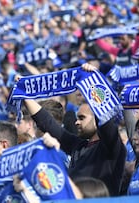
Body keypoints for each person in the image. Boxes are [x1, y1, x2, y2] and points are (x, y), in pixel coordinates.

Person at [23, 63, 126, 196]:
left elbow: (105, 120)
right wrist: (23, 96)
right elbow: (48, 124)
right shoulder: (78, 146)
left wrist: (94, 82)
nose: (76, 122)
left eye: (82, 118)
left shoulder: (111, 147)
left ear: (97, 119)